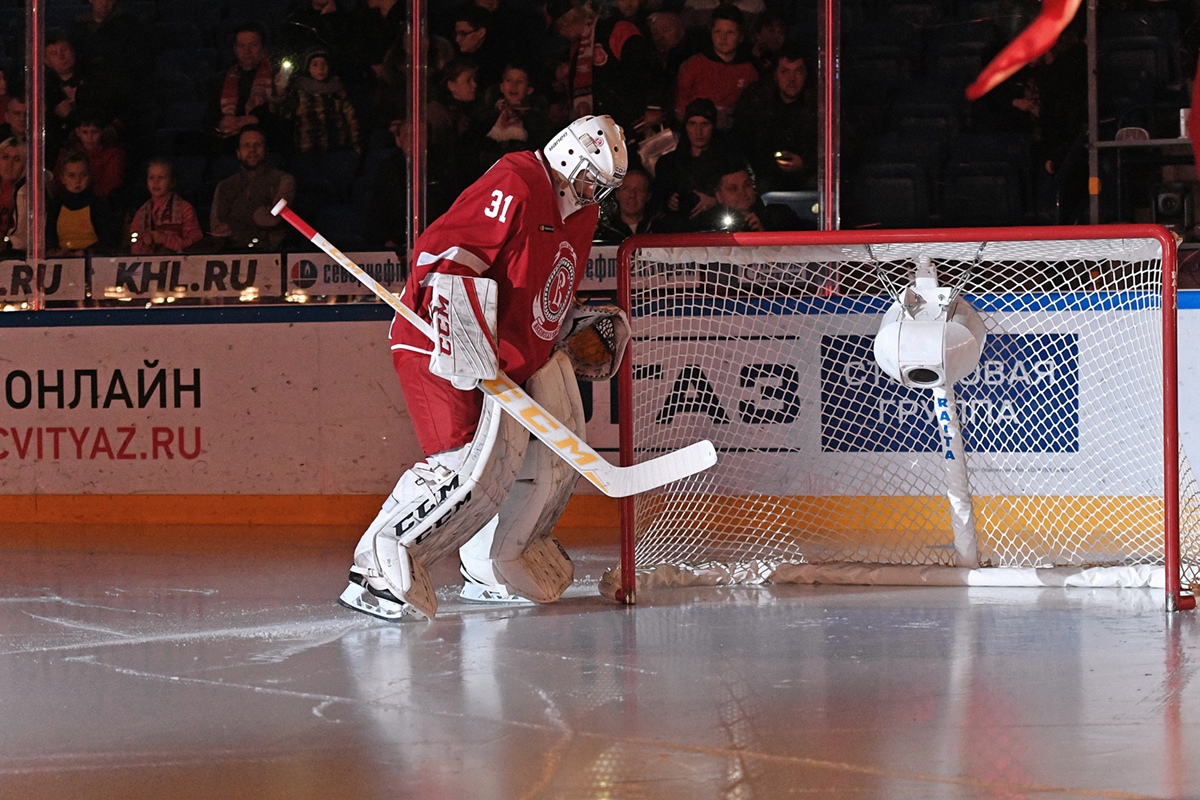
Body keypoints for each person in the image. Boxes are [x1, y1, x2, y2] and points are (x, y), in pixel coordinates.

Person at [338, 114, 629, 621]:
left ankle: (493, 563)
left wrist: (565, 326)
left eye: (603, 189)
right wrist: (465, 332)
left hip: (505, 360)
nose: (593, 195)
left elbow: (543, 289)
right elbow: (442, 254)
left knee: (539, 463)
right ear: (566, 157)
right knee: (461, 463)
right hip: (439, 343)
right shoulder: (516, 181)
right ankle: (374, 570)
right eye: (590, 180)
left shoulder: (581, 216)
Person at [732, 44, 816, 194]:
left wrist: (806, 163)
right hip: (765, 174)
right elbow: (742, 143)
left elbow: (843, 147)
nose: (792, 79)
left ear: (806, 75)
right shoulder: (756, 100)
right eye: (785, 71)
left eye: (799, 72)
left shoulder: (820, 104)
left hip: (808, 174)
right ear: (776, 75)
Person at [652, 97, 736, 229]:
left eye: (704, 124)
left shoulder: (729, 161)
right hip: (677, 230)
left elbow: (745, 194)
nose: (698, 131)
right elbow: (654, 199)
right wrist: (668, 200)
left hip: (717, 227)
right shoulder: (668, 164)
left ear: (713, 126)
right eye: (692, 124)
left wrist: (716, 201)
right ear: (685, 126)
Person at [673, 5, 760, 131]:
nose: (722, 38)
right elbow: (680, 108)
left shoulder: (748, 70)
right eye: (717, 31)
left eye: (730, 33)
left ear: (740, 37)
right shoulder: (694, 65)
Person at [209, 126, 296, 250]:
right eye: (246, 145)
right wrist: (258, 214)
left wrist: (236, 217)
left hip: (271, 251)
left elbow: (274, 218)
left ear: (266, 150)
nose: (252, 150)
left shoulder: (284, 180)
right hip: (233, 253)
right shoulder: (224, 186)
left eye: (257, 145)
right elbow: (217, 229)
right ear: (238, 153)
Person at [208, 22, 286, 153]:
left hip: (264, 136)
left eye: (253, 45)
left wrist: (249, 120)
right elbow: (211, 113)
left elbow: (281, 113)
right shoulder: (224, 78)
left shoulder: (277, 77)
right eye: (242, 46)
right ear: (235, 49)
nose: (247, 51)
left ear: (264, 48)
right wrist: (222, 122)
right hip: (230, 136)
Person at [282, 47, 362, 154]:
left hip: (338, 148)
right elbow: (285, 113)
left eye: (324, 64)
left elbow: (351, 118)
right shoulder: (299, 91)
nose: (320, 68)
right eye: (315, 64)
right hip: (309, 150)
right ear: (308, 68)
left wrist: (356, 143)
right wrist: (279, 92)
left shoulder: (337, 90)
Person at [689, 161, 805, 231]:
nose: (743, 193)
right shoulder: (707, 224)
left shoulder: (780, 215)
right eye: (733, 189)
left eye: (747, 185)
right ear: (719, 196)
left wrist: (763, 235)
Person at [46, 150, 119, 256]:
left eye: (83, 175)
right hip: (63, 262)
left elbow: (108, 241)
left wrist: (85, 252)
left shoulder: (98, 205)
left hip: (93, 263)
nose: (77, 181)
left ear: (89, 176)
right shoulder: (56, 207)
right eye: (71, 176)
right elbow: (49, 240)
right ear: (62, 178)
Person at [129, 158, 203, 254]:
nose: (155, 182)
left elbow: (194, 244)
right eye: (151, 177)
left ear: (172, 182)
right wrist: (145, 244)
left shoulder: (184, 209)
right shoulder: (141, 213)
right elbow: (133, 243)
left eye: (161, 178)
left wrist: (166, 239)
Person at [53, 112, 126, 199]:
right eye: (85, 132)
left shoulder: (113, 155)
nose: (89, 137)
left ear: (102, 132)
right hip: (67, 201)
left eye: (94, 132)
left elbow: (110, 186)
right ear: (78, 132)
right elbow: (57, 183)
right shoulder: (66, 153)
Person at [596, 166, 655, 241]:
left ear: (648, 196)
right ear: (617, 194)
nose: (632, 195)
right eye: (626, 189)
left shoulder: (659, 229)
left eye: (639, 189)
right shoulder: (603, 233)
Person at [0, 137, 27, 253]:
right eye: (5, 157)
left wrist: (6, 244)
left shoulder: (26, 192)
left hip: (13, 254)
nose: (9, 164)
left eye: (16, 159)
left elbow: (22, 235)